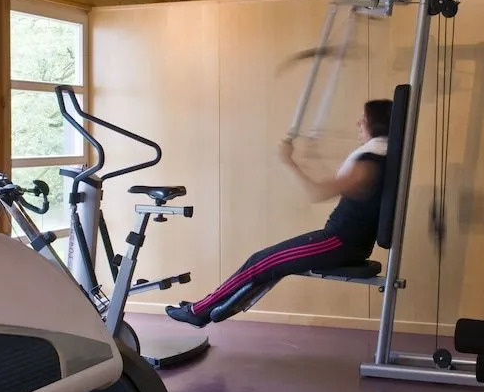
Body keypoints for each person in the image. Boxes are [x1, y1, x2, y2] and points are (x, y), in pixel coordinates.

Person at [165, 99, 393, 328]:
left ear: (377, 124)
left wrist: (289, 162)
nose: (359, 123)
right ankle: (207, 305)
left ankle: (198, 311)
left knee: (258, 263)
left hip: (338, 243)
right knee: (262, 263)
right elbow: (336, 185)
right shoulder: (379, 156)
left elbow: (318, 192)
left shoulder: (369, 163)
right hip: (343, 242)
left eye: (365, 118)